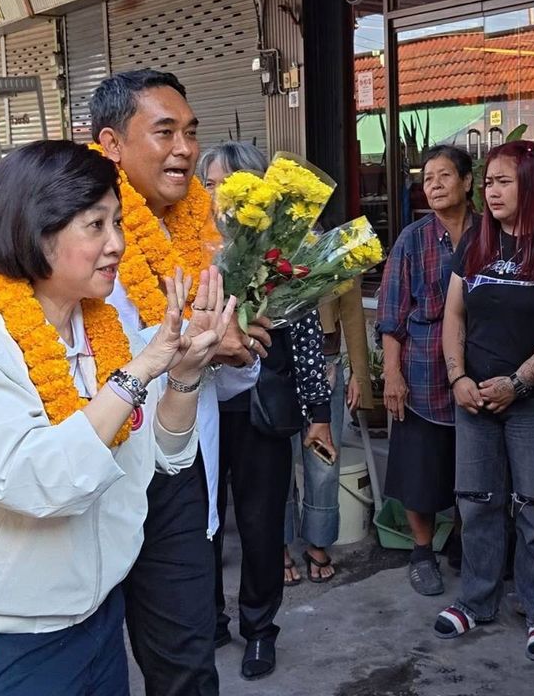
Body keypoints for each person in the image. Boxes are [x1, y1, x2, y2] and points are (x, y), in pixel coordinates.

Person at [0, 140, 234, 694]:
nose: (117, 244)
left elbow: (163, 458)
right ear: (34, 230)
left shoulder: (102, 331)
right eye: (95, 225)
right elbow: (36, 481)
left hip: (92, 618)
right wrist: (142, 370)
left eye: (117, 222)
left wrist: (185, 375)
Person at [91, 68, 268, 696]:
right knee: (91, 667)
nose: (186, 149)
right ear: (112, 144)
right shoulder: (71, 228)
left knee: (187, 663)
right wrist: (196, 342)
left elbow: (225, 379)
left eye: (191, 132)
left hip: (181, 472)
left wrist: (235, 349)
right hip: (96, 479)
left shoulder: (204, 234)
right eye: (164, 132)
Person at [434, 141, 534, 663]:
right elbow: (454, 314)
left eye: (504, 181)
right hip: (473, 396)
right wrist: (457, 376)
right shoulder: (477, 239)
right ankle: (476, 600)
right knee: (476, 503)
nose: (492, 192)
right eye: (489, 182)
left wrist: (518, 384)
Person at [196, 141, 335, 680]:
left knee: (259, 525)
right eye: (209, 184)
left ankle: (259, 629)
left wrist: (318, 413)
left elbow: (306, 342)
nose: (218, 196)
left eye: (229, 184)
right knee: (201, 523)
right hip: (197, 409)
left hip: (262, 411)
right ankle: (208, 619)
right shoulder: (188, 246)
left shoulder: (286, 252)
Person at [376, 144, 477, 597]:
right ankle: (421, 552)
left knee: (470, 467)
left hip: (477, 370)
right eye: (427, 178)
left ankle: (463, 541)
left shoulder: (490, 233)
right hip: (422, 371)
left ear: (467, 182)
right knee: (420, 470)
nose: (433, 185)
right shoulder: (412, 239)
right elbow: (391, 314)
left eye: (444, 176)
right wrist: (391, 374)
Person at [288, 281, 369, 585]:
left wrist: (358, 373)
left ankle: (318, 542)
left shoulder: (337, 250)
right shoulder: (266, 249)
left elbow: (352, 308)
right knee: (276, 462)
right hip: (275, 362)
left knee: (324, 460)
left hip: (326, 361)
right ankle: (279, 543)